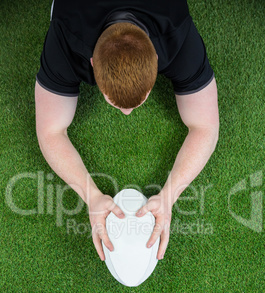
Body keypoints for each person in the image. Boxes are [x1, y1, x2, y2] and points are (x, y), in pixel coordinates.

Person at [35, 0, 219, 261]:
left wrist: (168, 197)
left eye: (140, 99)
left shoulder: (176, 29)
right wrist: (92, 197)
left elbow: (207, 127)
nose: (127, 113)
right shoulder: (66, 32)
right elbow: (49, 132)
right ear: (92, 64)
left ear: (156, 58)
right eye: (113, 101)